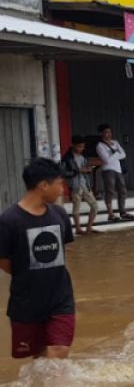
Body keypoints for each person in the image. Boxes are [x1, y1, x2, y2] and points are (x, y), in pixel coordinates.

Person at [0, 159, 76, 360]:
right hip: (26, 302)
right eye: (59, 184)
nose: (62, 189)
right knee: (40, 358)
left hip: (60, 299)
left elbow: (64, 252)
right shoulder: (9, 220)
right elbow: (4, 261)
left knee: (58, 351)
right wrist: (26, 272)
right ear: (43, 185)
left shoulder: (59, 214)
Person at [96, 123, 134, 222]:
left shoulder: (115, 142)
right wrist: (117, 153)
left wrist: (115, 155)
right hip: (108, 170)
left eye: (110, 132)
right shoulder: (100, 146)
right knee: (110, 191)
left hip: (118, 169)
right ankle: (110, 214)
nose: (108, 134)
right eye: (106, 132)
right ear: (102, 134)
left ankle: (123, 211)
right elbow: (106, 160)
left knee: (123, 191)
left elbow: (124, 154)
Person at [61, 136, 99, 235]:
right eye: (79, 147)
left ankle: (89, 227)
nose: (81, 149)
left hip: (85, 185)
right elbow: (63, 172)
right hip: (75, 186)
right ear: (73, 145)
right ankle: (78, 228)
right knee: (76, 207)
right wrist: (77, 171)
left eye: (82, 147)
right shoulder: (67, 158)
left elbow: (87, 166)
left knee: (95, 206)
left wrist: (88, 169)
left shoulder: (83, 156)